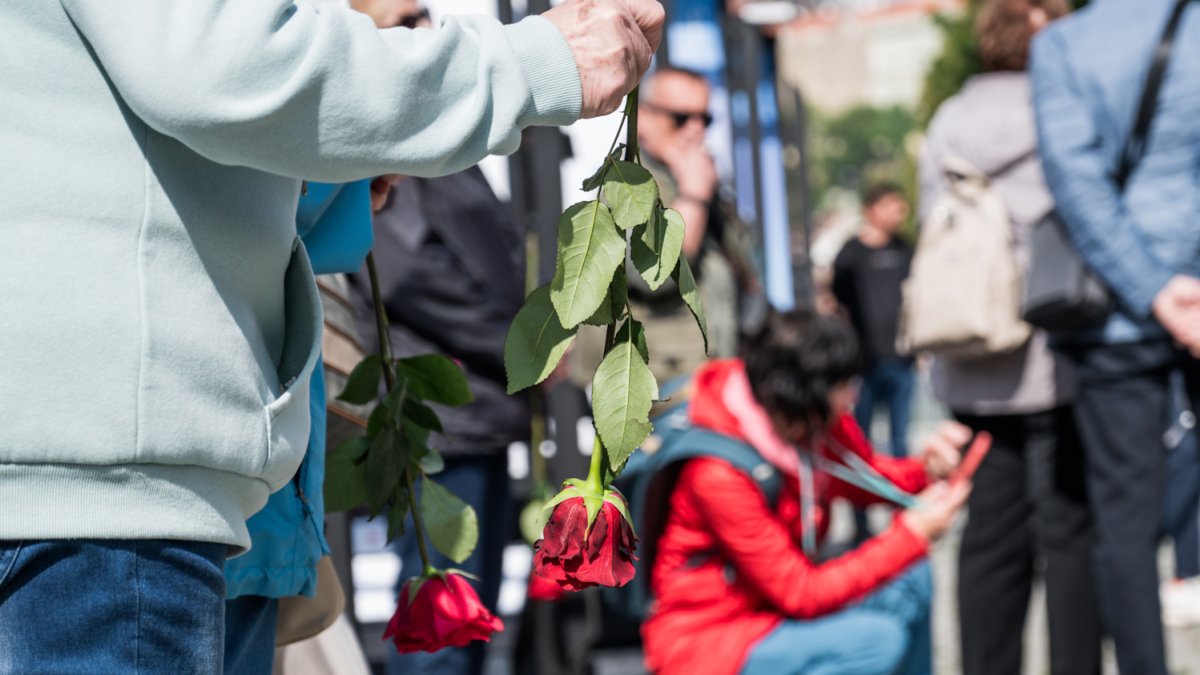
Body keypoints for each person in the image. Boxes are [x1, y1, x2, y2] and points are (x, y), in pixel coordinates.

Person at [0, 0, 662, 669]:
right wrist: (535, 61)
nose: (423, 44)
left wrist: (334, 175)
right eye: (402, 29)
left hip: (138, 477)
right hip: (107, 486)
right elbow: (225, 58)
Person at [918, 1, 1102, 672]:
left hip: (972, 360)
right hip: (1055, 355)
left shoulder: (949, 122)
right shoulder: (1064, 109)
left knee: (989, 542)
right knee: (1070, 537)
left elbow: (929, 221)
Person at [641, 311, 972, 675]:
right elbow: (802, 593)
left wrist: (927, 470)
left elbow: (866, 477)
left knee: (913, 578)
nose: (852, 397)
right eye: (844, 385)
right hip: (712, 636)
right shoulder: (716, 473)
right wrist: (910, 534)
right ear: (805, 393)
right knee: (876, 643)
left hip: (769, 606)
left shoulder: (805, 423)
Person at [1031, 0, 1200, 672]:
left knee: (1124, 525)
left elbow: (1077, 186)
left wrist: (1157, 290)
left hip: (1118, 320)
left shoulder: (1064, 45)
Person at [348, 165, 529, 675]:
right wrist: (522, 346)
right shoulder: (400, 142)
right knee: (442, 626)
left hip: (473, 412)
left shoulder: (445, 149)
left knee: (464, 618)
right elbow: (404, 271)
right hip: (439, 419)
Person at [831, 183, 916, 459]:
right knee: (860, 437)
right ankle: (861, 502)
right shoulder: (850, 253)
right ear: (872, 210)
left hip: (902, 357)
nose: (899, 212)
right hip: (864, 362)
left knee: (900, 438)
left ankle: (901, 500)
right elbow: (837, 301)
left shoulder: (905, 250)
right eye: (892, 205)